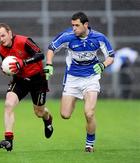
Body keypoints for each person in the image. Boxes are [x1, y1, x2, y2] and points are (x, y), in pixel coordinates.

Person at [44, 12, 114, 152]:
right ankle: (72, 100)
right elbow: (51, 48)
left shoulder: (99, 38)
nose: (74, 28)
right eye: (72, 25)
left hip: (91, 78)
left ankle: (89, 144)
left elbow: (111, 56)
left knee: (89, 113)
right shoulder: (68, 37)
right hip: (72, 79)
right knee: (65, 115)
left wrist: (102, 65)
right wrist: (49, 64)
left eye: (77, 25)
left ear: (86, 25)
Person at [0, 23, 53, 151]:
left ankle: (48, 119)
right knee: (8, 104)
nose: (1, 39)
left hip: (38, 79)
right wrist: (6, 69)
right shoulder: (1, 49)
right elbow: (8, 63)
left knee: (39, 112)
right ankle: (8, 140)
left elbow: (40, 55)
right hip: (20, 80)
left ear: (10, 33)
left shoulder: (24, 41)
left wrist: (23, 62)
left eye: (3, 35)